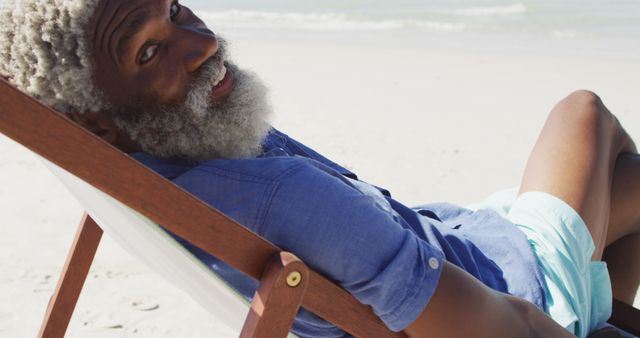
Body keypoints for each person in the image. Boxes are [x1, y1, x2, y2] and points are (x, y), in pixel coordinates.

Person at [1, 0, 638, 337]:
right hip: (520, 291)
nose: (204, 44)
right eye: (148, 51)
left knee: (624, 190)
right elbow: (512, 330)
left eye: (176, 10)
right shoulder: (285, 201)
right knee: (583, 113)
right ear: (94, 122)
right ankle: (597, 316)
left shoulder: (161, 164)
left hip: (463, 242)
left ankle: (607, 308)